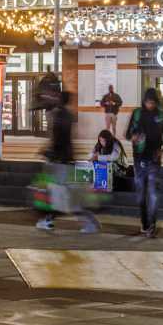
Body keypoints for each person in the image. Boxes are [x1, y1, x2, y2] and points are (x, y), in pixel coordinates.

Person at [36, 91, 99, 233]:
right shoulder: (68, 115)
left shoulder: (59, 116)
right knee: (65, 195)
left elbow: (58, 139)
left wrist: (48, 152)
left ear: (59, 99)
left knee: (61, 195)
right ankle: (88, 221)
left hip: (59, 161)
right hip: (67, 159)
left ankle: (88, 222)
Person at [126, 87, 163, 237]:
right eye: (147, 102)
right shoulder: (137, 113)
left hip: (154, 160)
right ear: (144, 101)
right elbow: (128, 133)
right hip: (139, 159)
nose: (150, 105)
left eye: (152, 102)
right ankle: (144, 222)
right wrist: (133, 137)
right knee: (141, 194)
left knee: (153, 194)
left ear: (156, 102)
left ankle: (152, 224)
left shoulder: (161, 115)